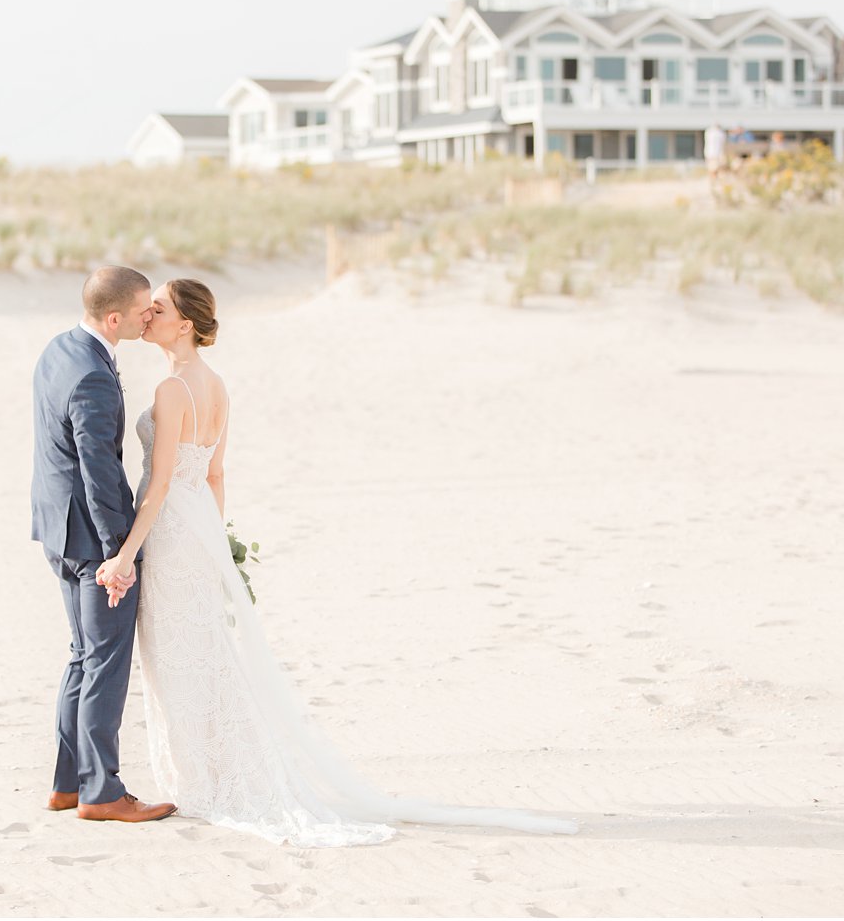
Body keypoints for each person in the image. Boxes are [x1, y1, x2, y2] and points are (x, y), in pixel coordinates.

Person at [94, 278, 581, 847]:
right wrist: (216, 543)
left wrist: (127, 553)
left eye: (159, 309)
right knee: (203, 652)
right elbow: (215, 475)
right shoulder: (219, 387)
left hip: (174, 530)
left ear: (184, 325)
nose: (147, 315)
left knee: (179, 655)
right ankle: (210, 774)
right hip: (197, 527)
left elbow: (157, 486)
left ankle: (201, 781)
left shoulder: (174, 390)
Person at [30, 266, 177, 824]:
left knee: (82, 655)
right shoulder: (91, 375)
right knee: (106, 663)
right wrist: (119, 553)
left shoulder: (60, 348)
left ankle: (69, 784)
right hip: (92, 538)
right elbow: (97, 470)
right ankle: (101, 792)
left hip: (56, 527)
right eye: (144, 309)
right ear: (114, 318)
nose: (150, 315)